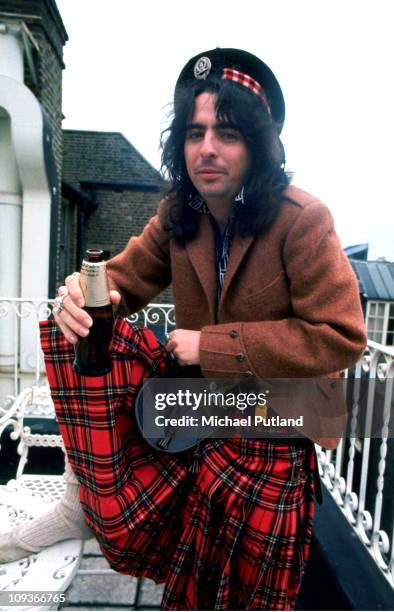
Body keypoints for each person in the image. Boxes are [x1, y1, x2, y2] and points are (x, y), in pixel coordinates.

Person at [0, 48, 367, 610]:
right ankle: (83, 499)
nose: (208, 149)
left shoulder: (303, 219)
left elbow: (341, 337)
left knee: (251, 596)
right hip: (204, 419)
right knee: (194, 586)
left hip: (277, 430)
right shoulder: (180, 214)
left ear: (259, 146)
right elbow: (118, 279)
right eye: (195, 133)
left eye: (228, 133)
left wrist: (212, 345)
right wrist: (77, 295)